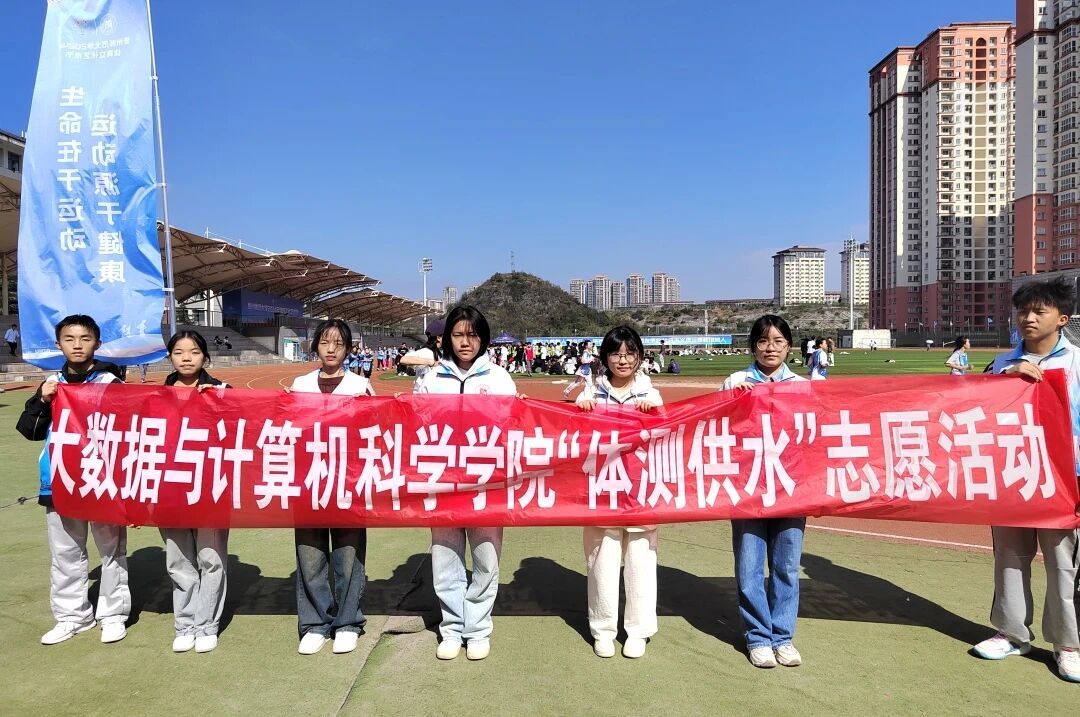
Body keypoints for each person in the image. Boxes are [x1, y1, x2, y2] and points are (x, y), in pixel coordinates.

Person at [971, 277, 1080, 683]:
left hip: (1062, 479)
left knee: (1062, 563)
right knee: (1010, 557)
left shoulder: (1077, 362)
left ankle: (1067, 644)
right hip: (1011, 474)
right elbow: (977, 411)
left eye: (1039, 311)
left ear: (1062, 318)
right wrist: (1007, 378)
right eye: (1022, 311)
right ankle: (1012, 633)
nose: (1028, 318)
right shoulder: (1002, 362)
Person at [16, 315, 130, 646]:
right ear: (58, 344)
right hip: (59, 481)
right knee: (66, 553)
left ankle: (112, 615)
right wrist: (42, 400)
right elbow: (30, 431)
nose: (77, 345)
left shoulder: (110, 383)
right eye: (69, 339)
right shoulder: (51, 384)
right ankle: (72, 617)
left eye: (84, 338)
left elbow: (129, 432)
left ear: (97, 343)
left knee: (111, 551)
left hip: (102, 482)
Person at [415, 305, 517, 661]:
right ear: (446, 338)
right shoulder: (431, 379)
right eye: (458, 335)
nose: (465, 342)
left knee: (486, 557)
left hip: (485, 481)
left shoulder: (500, 378)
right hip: (442, 480)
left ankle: (477, 629)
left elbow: (513, 425)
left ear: (483, 338)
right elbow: (416, 423)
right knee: (445, 557)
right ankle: (452, 628)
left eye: (472, 335)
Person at [721, 314, 808, 669]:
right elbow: (715, 429)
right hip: (748, 488)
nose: (770, 348)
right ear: (753, 346)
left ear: (789, 347)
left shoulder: (802, 386)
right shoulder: (735, 382)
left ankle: (783, 637)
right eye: (762, 341)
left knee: (786, 566)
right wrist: (734, 402)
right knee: (750, 565)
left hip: (790, 488)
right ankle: (758, 637)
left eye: (778, 341)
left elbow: (813, 436)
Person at [287, 319, 375, 656]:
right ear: (316, 347)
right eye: (325, 342)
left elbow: (375, 430)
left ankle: (348, 621)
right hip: (308, 480)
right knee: (310, 555)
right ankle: (315, 623)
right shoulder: (300, 384)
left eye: (339, 343)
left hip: (348, 481)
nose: (331, 349)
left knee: (348, 555)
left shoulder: (360, 385)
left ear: (348, 349)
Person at [576, 326, 662, 659]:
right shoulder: (592, 391)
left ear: (639, 357)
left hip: (640, 490)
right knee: (602, 561)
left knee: (641, 562)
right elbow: (573, 434)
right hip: (601, 489)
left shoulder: (650, 393)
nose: (622, 360)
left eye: (629, 353)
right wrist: (581, 410)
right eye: (616, 353)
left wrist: (653, 414)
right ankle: (603, 630)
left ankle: (638, 631)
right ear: (605, 357)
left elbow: (665, 436)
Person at [160, 330, 229, 654]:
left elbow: (244, 430)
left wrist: (218, 402)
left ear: (205, 356)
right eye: (178, 352)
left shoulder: (222, 392)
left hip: (209, 489)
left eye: (194, 352)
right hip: (170, 488)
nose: (186, 358)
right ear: (170, 357)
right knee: (178, 560)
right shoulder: (157, 396)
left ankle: (207, 625)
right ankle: (185, 624)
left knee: (211, 559)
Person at [399, 320, 444, 390]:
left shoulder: (439, 352)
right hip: (423, 395)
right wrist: (430, 362)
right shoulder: (426, 352)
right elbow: (403, 359)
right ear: (438, 338)